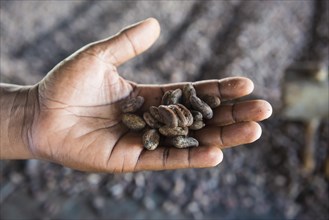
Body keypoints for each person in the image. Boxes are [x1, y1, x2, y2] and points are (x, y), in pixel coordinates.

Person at [0, 18, 272, 172]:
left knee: (208, 120)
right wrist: (32, 114)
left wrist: (29, 114)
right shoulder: (157, 119)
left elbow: (189, 121)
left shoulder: (179, 119)